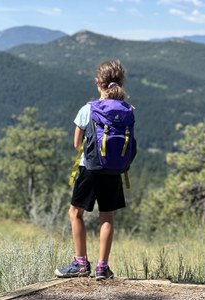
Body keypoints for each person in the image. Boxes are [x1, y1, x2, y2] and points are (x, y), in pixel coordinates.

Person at [55, 60, 128, 280]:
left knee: (75, 213)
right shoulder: (126, 110)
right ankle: (102, 268)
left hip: (89, 169)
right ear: (120, 83)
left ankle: (80, 263)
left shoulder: (88, 109)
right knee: (107, 217)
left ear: (98, 83)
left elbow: (77, 144)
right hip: (114, 171)